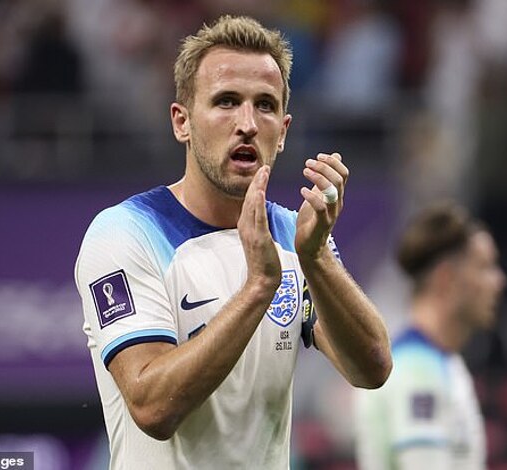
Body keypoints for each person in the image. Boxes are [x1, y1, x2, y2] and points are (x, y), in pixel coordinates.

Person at [74, 15, 392, 470]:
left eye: (264, 105)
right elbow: (153, 407)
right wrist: (258, 288)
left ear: (283, 132)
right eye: (226, 101)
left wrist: (318, 257)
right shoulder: (124, 232)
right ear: (182, 122)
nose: (247, 123)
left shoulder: (297, 238)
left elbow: (372, 368)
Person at [355, 201, 507, 470]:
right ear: (446, 278)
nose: (499, 281)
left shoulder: (442, 362)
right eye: (485, 267)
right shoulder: (417, 370)